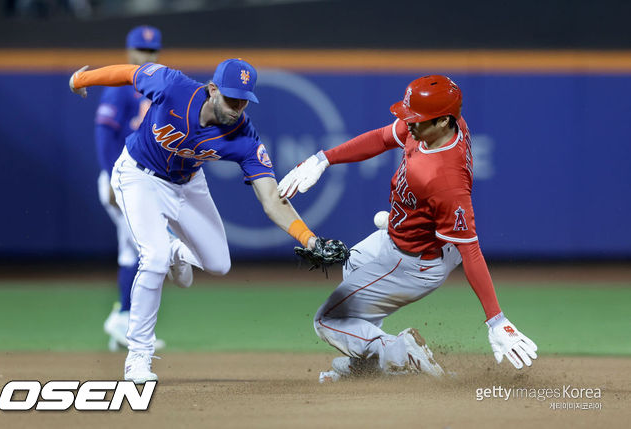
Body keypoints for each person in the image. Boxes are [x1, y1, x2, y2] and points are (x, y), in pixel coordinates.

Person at [69, 58, 324, 384]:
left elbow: (272, 199)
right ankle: (138, 356)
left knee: (219, 264)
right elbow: (129, 73)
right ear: (212, 89)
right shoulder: (172, 87)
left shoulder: (244, 136)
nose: (237, 108)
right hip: (138, 176)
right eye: (232, 99)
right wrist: (84, 79)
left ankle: (176, 251)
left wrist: (309, 239)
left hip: (188, 185)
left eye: (244, 100)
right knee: (154, 257)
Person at [277, 75, 538, 382]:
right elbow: (383, 138)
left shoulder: (444, 178)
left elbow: (470, 250)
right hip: (401, 238)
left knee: (327, 320)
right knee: (353, 264)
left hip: (413, 261)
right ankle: (372, 364)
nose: (408, 123)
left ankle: (399, 351)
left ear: (443, 121)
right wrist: (323, 159)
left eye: (417, 119)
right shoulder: (441, 126)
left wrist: (496, 320)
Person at [95, 25, 166, 352]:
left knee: (133, 250)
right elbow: (104, 134)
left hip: (143, 179)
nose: (146, 56)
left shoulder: (159, 85)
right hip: (122, 178)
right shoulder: (120, 86)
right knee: (141, 251)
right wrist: (112, 177)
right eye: (141, 50)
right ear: (129, 51)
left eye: (151, 51)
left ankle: (121, 324)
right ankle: (124, 318)